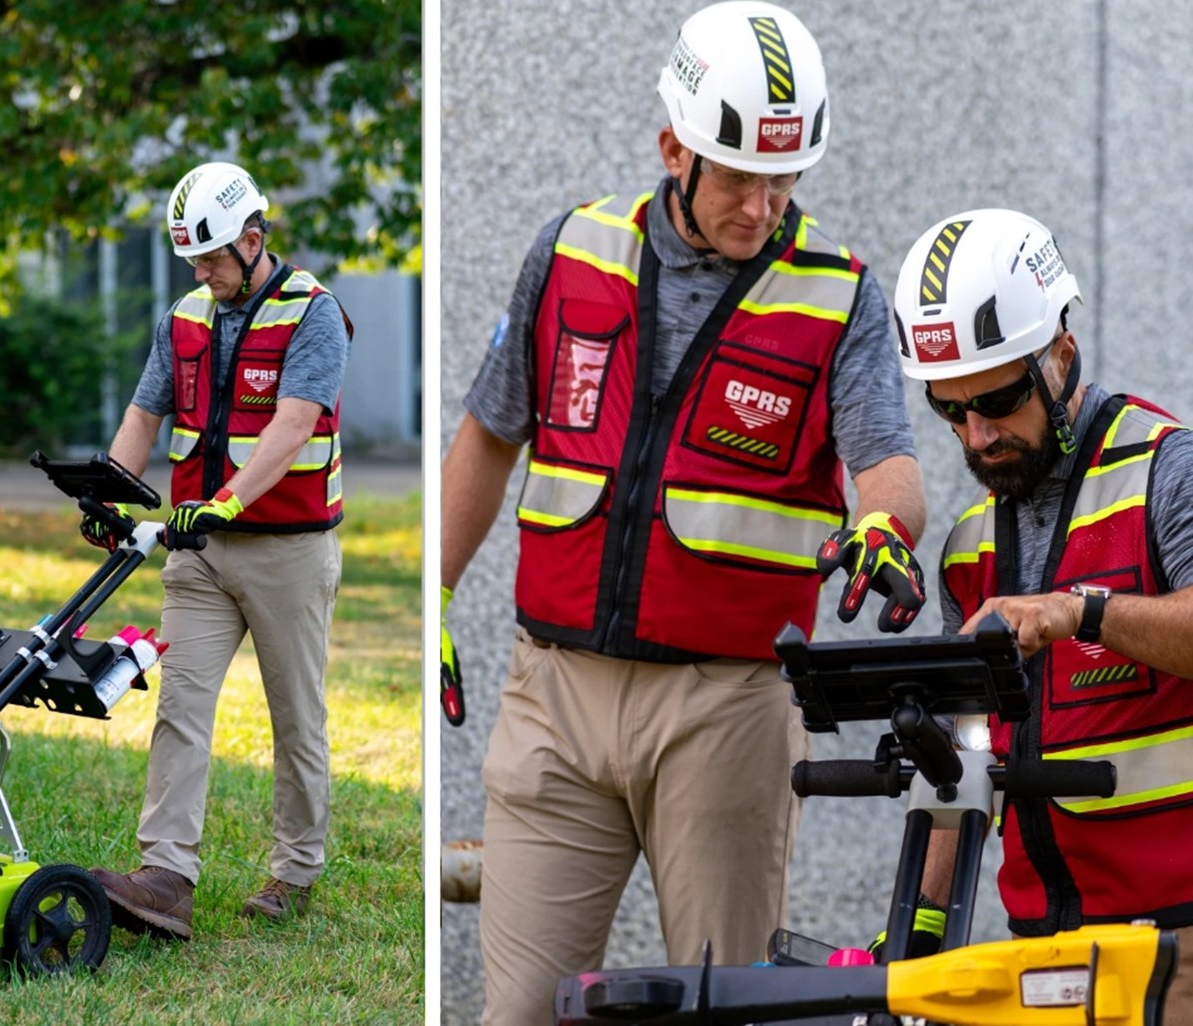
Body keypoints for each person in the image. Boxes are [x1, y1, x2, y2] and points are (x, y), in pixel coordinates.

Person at [438, 3, 928, 1021]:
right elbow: (489, 432)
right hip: (556, 697)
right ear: (673, 147)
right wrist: (430, 599)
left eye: (785, 177)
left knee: (725, 1011)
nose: (763, 203)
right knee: (521, 1008)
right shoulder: (569, 250)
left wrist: (883, 526)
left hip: (728, 713)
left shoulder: (839, 297)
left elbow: (887, 466)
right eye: (740, 174)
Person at [892, 207, 1193, 1016]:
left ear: (1061, 353)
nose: (979, 434)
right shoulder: (965, 551)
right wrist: (913, 947)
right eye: (949, 410)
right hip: (1042, 955)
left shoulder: (1166, 471)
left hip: (1178, 949)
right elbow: (960, 771)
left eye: (995, 398)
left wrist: (1079, 612)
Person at [83, 160, 352, 939]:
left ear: (254, 240)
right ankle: (166, 876)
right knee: (180, 708)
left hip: (288, 552)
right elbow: (144, 413)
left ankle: (294, 872)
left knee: (295, 717)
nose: (201, 274)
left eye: (211, 259)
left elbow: (293, 425)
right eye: (193, 262)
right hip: (198, 554)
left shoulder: (313, 315)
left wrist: (227, 501)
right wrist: (108, 490)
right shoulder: (186, 317)